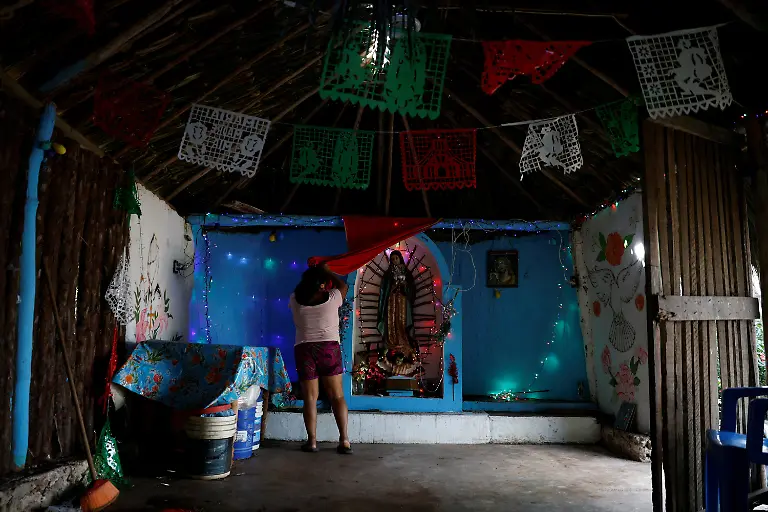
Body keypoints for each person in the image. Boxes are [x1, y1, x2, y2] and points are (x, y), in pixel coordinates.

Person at [289, 263, 352, 454]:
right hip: (329, 348)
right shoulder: (332, 298)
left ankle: (313, 442)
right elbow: (344, 287)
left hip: (304, 349)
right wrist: (326, 269)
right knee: (337, 396)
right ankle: (344, 440)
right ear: (323, 285)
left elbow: (300, 292)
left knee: (310, 398)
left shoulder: (294, 299)